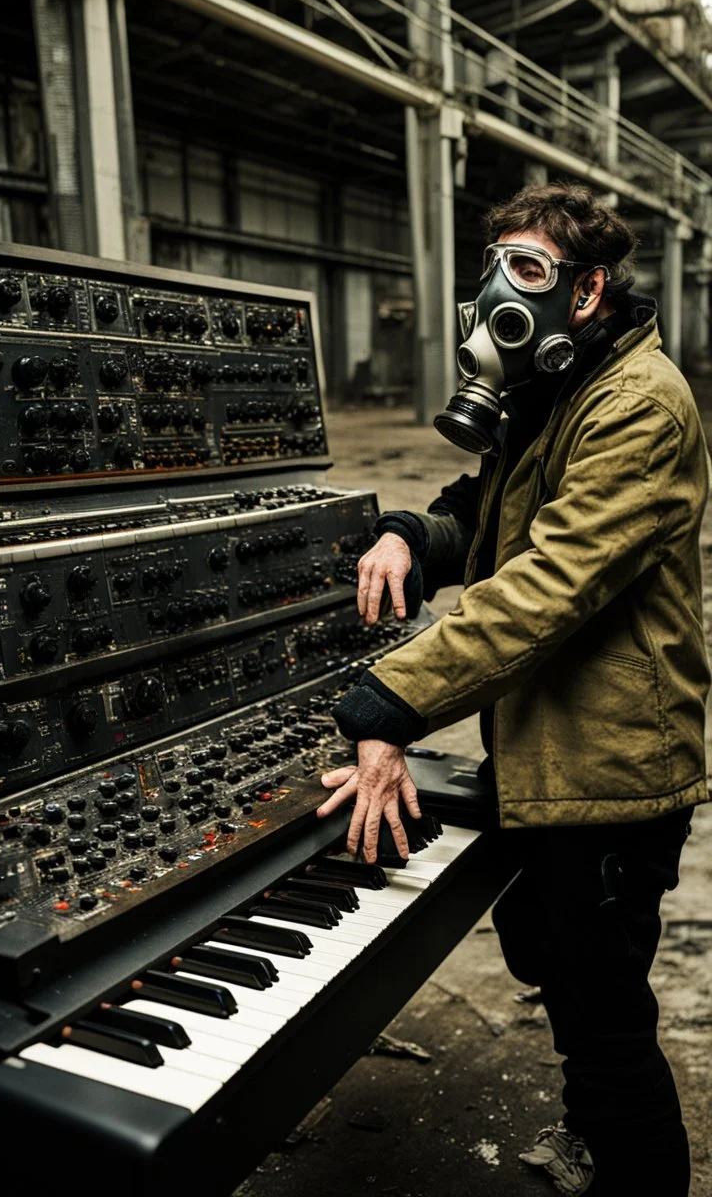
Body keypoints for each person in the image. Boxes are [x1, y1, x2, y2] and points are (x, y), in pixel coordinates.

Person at [317, 182, 710, 1196]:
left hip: (615, 758)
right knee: (553, 950)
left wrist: (386, 701)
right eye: (496, 267)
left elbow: (544, 587)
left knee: (604, 1008)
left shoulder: (638, 406)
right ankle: (595, 1130)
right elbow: (483, 508)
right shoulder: (558, 387)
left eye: (528, 271)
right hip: (547, 744)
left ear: (588, 290)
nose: (501, 290)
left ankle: (633, 1167)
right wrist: (411, 532)